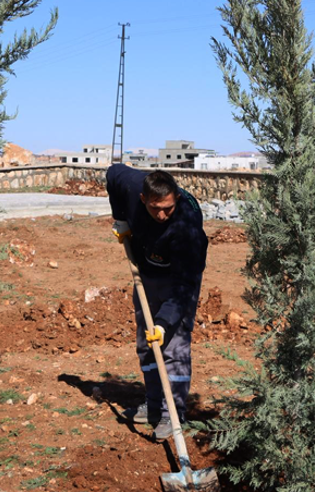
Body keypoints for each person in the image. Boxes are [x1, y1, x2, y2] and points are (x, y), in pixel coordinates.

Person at [106, 164, 208, 439]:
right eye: (155, 208)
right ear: (143, 198)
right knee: (146, 343)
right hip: (147, 272)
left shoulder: (187, 228)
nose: (162, 215)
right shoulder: (131, 185)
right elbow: (113, 173)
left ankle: (171, 414)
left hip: (179, 276)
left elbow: (184, 287)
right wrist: (121, 219)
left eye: (168, 208)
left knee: (173, 345)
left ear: (176, 198)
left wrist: (164, 323)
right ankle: (152, 405)